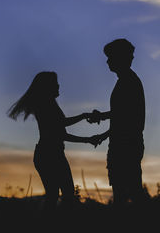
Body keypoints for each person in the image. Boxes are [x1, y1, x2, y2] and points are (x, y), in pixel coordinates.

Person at [7, 71, 98, 211]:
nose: (58, 86)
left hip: (47, 154)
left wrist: (85, 122)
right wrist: (87, 136)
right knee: (64, 194)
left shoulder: (49, 105)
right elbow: (61, 131)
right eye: (55, 84)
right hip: (51, 155)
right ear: (48, 87)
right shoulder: (46, 106)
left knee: (54, 195)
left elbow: (61, 129)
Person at [87, 38, 146, 206]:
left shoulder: (128, 82)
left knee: (126, 193)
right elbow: (122, 115)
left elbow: (126, 118)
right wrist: (104, 123)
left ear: (119, 58)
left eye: (110, 56)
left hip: (125, 146)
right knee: (129, 192)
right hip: (124, 144)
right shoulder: (126, 81)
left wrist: (104, 128)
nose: (107, 61)